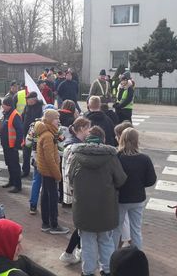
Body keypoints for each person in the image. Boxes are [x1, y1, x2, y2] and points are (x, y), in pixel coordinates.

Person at [69, 126, 127, 276]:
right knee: (106, 241)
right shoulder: (111, 157)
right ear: (103, 139)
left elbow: (70, 179)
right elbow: (120, 180)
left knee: (87, 242)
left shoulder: (76, 156)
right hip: (106, 208)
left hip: (83, 209)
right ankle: (107, 270)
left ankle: (88, 271)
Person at [112, 128, 156, 250]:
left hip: (121, 198)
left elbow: (112, 178)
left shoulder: (117, 157)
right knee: (136, 230)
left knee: (116, 230)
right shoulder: (144, 158)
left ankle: (112, 256)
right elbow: (151, 180)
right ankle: (137, 257)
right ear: (137, 141)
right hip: (138, 198)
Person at [58, 117, 91, 264]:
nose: (89, 131)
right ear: (82, 128)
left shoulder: (74, 144)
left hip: (76, 192)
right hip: (78, 193)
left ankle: (76, 251)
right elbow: (73, 173)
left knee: (81, 225)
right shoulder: (75, 148)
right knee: (81, 226)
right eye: (88, 128)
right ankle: (68, 253)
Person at [35, 109, 70, 235]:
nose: (59, 121)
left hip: (45, 171)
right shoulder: (48, 136)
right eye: (56, 118)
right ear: (50, 120)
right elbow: (49, 158)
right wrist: (58, 174)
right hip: (49, 172)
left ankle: (46, 223)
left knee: (45, 196)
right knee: (52, 198)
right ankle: (54, 225)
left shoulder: (46, 133)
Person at [0, 96, 24, 193]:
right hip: (6, 145)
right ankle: (11, 181)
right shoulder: (7, 114)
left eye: (4, 105)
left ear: (9, 105)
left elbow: (20, 131)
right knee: (9, 164)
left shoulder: (15, 115)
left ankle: (17, 185)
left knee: (14, 166)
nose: (2, 106)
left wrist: (17, 145)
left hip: (12, 146)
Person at [22, 91, 44, 178]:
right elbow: (23, 116)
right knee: (25, 153)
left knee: (36, 152)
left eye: (28, 99)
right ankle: (25, 170)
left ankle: (38, 168)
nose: (27, 101)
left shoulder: (40, 107)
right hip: (26, 133)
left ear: (34, 100)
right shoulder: (27, 106)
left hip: (36, 133)